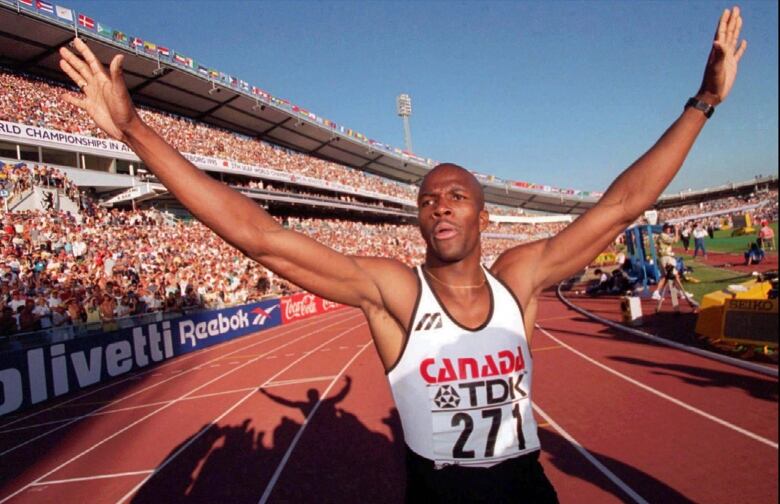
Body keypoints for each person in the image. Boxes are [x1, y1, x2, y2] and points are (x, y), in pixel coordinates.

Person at [58, 7, 746, 502]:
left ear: (481, 212)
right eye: (427, 198)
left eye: (454, 194)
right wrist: (135, 130)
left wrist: (703, 102)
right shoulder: (395, 293)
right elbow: (260, 234)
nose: (439, 203)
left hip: (524, 486)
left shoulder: (521, 278)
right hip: (436, 492)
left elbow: (620, 207)